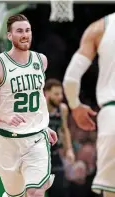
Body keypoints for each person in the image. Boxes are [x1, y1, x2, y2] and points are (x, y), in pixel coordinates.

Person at [0, 14, 57, 197]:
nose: (25, 35)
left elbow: (38, 98)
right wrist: (5, 116)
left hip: (36, 138)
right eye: (19, 31)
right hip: (6, 141)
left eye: (28, 30)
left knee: (35, 192)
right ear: (9, 36)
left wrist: (43, 126)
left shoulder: (41, 61)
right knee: (15, 194)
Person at [63, 13, 115, 197]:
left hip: (111, 116)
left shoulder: (99, 28)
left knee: (111, 190)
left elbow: (70, 79)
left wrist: (75, 106)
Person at [44, 78, 75, 197]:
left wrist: (69, 150)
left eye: (61, 93)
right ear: (46, 93)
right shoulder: (38, 108)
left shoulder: (62, 109)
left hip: (55, 154)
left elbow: (65, 129)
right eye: (56, 94)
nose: (60, 97)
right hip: (38, 154)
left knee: (59, 190)